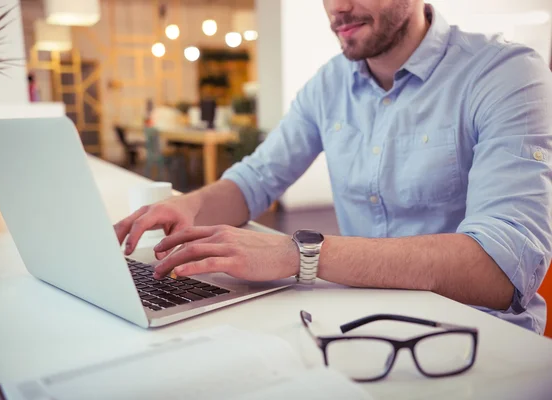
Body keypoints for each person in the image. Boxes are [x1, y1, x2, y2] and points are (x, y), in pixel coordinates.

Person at [114, 0, 552, 334]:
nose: (336, 8)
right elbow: (257, 179)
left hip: (478, 337)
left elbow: (502, 267)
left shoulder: (505, 73)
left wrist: (300, 254)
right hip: (361, 325)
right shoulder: (329, 83)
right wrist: (187, 208)